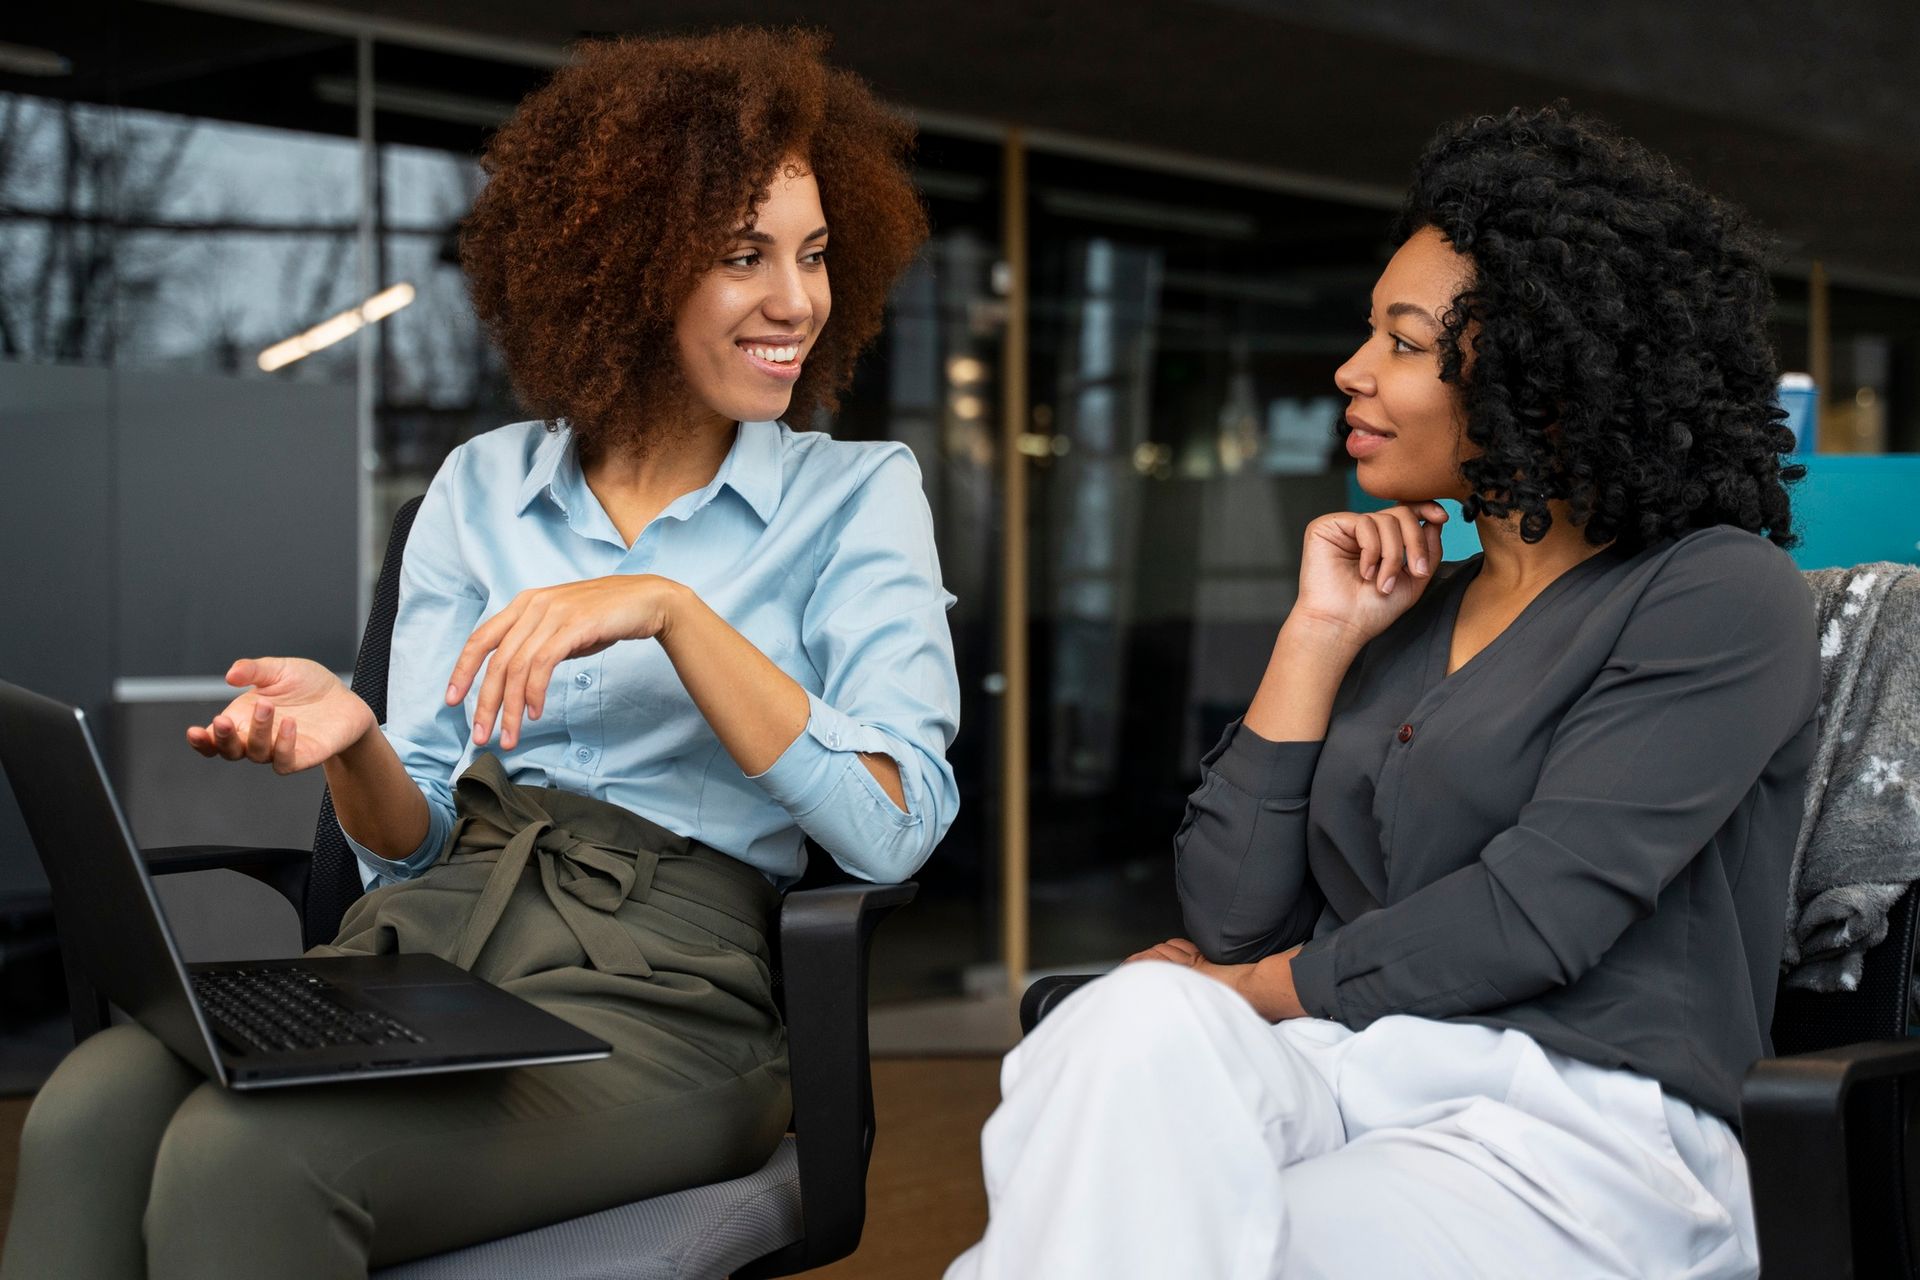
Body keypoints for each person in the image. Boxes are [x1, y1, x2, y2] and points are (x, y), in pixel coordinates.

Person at [3, 29, 958, 1280]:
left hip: (666, 995)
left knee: (248, 1160)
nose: (798, 300)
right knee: (88, 1109)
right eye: (746, 255)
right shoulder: (480, 488)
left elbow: (898, 826)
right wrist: (357, 746)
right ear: (628, 267)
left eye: (815, 253)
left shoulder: (857, 495)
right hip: (431, 944)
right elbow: (412, 846)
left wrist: (673, 611)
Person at [948, 105, 1813, 1280]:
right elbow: (1229, 919)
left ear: (1543, 381)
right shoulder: (1405, 608)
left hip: (1572, 1130)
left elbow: (1532, 913)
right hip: (1344, 1071)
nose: (1351, 371)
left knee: (1157, 1241)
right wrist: (1315, 638)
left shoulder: (1714, 594)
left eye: (1402, 343)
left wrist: (1249, 990)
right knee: (1130, 1020)